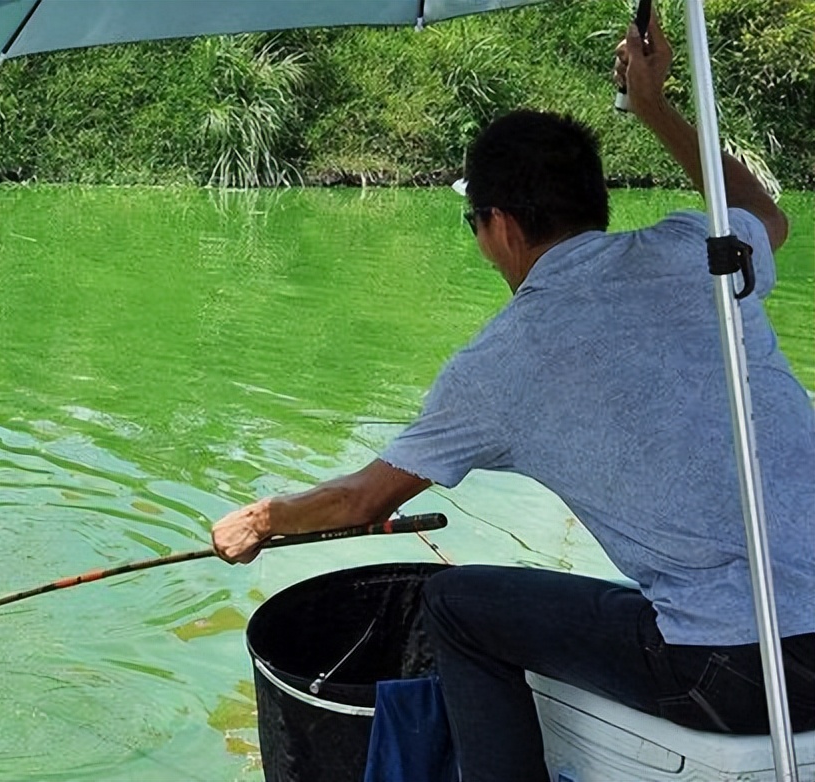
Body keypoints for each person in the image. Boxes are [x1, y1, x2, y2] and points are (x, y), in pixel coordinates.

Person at [211, 14, 814, 782]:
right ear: (595, 203)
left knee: (459, 607)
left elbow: (362, 501)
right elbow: (768, 216)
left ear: (497, 224)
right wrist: (656, 107)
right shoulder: (694, 252)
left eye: (474, 223)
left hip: (738, 673)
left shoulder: (500, 360)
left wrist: (263, 519)